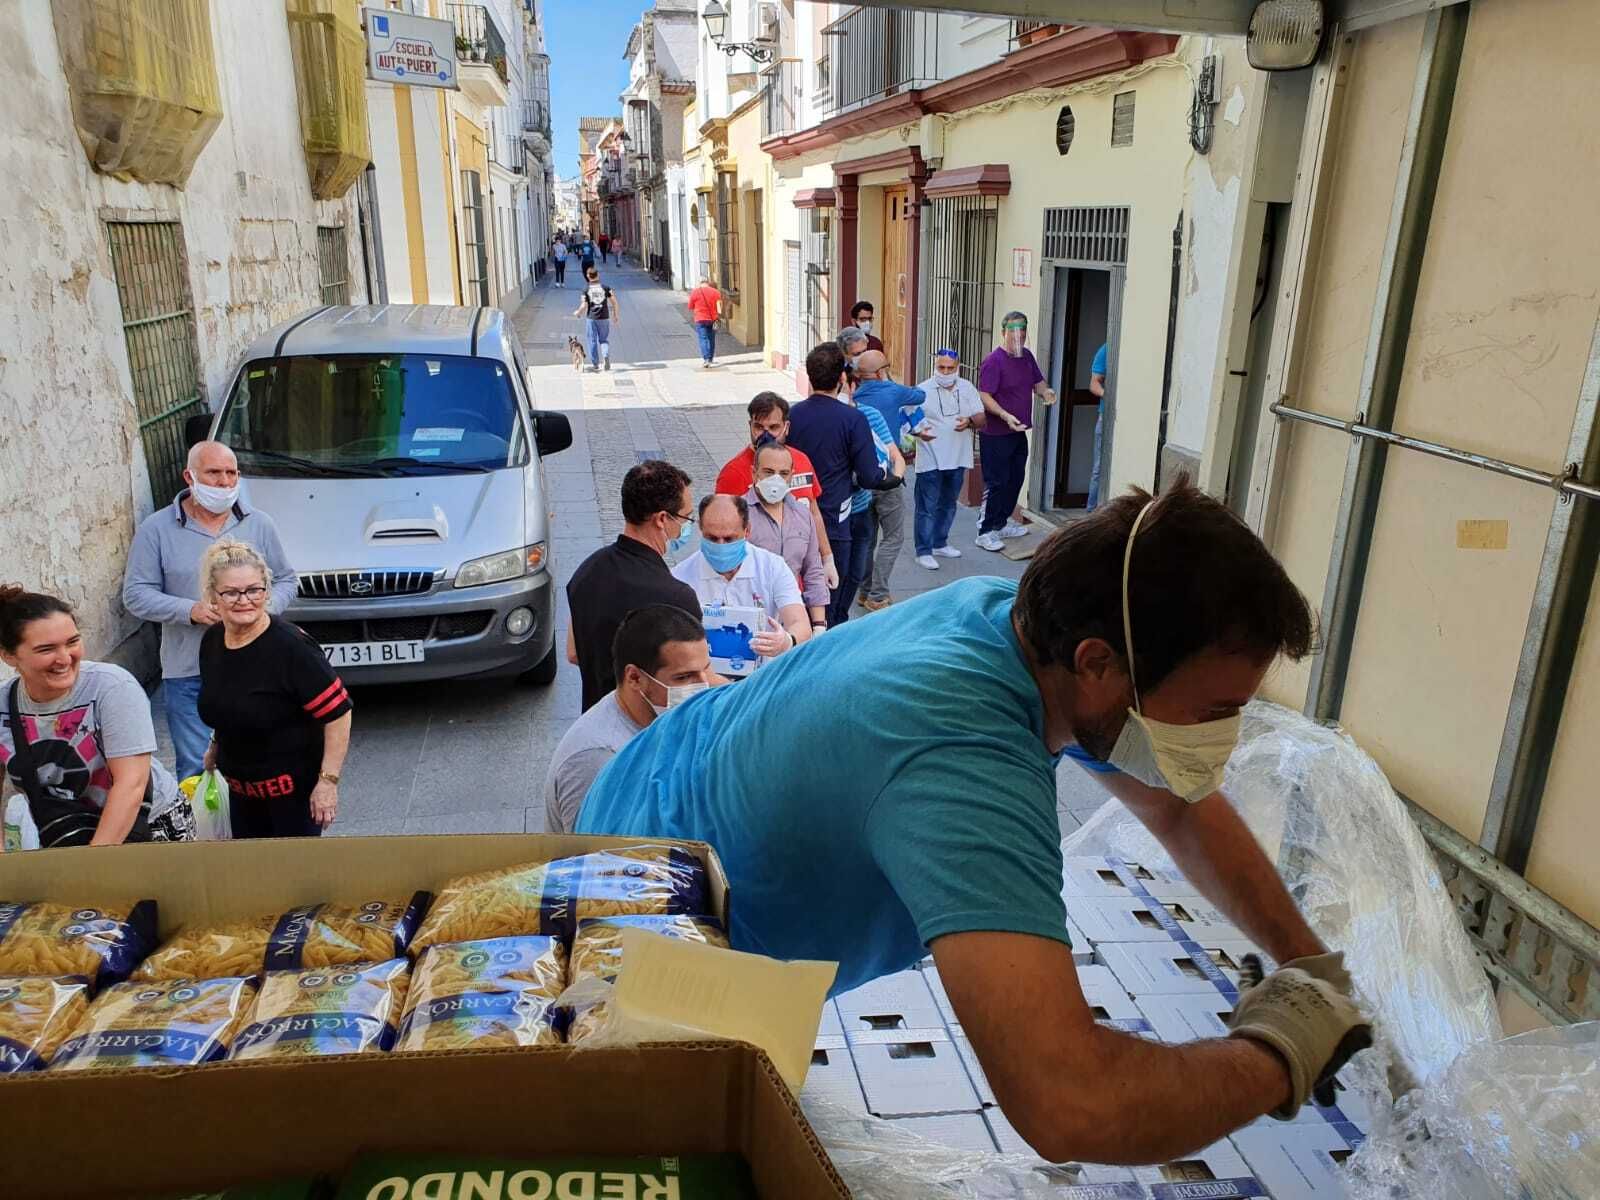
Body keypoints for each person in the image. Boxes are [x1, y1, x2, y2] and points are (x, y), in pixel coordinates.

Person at [579, 480, 1373, 1166]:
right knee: (682, 1143)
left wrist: (1310, 967)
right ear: (1099, 664)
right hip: (647, 921)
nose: (1222, 739)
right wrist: (1282, 1050)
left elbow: (1175, 803)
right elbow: (1069, 1101)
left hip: (659, 784)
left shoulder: (1017, 623)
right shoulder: (962, 755)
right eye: (1215, 711)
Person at [122, 440, 297, 781]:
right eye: (214, 473)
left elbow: (287, 579)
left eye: (231, 473)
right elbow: (136, 594)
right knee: (197, 770)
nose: (224, 482)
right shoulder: (156, 529)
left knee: (262, 763)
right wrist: (191, 610)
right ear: (190, 477)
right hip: (188, 670)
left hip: (256, 665)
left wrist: (259, 610)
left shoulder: (259, 523)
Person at [0, 585, 195, 847]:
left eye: (72, 642)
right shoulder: (4, 704)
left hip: (146, 823)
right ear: (9, 656)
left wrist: (93, 864)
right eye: (46, 649)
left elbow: (131, 784)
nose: (64, 658)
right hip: (67, 829)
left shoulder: (111, 687)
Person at [197, 541, 352, 839]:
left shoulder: (292, 648)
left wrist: (328, 782)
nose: (244, 600)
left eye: (254, 590)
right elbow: (225, 701)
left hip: (293, 799)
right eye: (231, 592)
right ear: (213, 596)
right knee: (250, 868)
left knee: (294, 870)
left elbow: (339, 714)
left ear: (267, 591)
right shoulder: (213, 641)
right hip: (241, 795)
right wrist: (215, 746)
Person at [543, 604, 713, 836]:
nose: (703, 687)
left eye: (705, 671)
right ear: (634, 677)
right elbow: (593, 851)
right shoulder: (598, 758)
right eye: (684, 677)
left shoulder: (660, 720)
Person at [566, 460, 701, 711]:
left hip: (596, 716)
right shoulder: (676, 597)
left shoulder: (586, 571)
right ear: (662, 519)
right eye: (687, 518)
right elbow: (689, 685)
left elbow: (573, 653)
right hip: (648, 728)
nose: (687, 527)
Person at [786, 343, 900, 628]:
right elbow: (869, 477)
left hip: (796, 513)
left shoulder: (792, 416)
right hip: (837, 519)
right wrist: (892, 476)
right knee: (836, 590)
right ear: (841, 378)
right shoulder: (853, 418)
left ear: (810, 377)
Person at [670, 495, 810, 674]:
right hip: (704, 679)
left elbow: (800, 622)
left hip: (761, 676)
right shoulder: (680, 577)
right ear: (700, 529)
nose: (721, 546)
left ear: (747, 531)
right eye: (712, 538)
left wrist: (787, 641)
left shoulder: (772, 567)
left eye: (729, 539)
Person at [714, 392, 835, 593]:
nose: (766, 434)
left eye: (773, 427)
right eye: (759, 427)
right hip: (753, 587)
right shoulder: (733, 473)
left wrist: (827, 557)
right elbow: (720, 531)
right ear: (750, 426)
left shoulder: (801, 461)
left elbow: (813, 512)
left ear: (786, 427)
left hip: (796, 583)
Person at [851, 349, 926, 611]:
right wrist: (890, 379)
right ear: (882, 372)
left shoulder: (855, 399)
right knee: (893, 537)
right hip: (888, 474)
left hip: (861, 478)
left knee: (867, 539)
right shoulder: (892, 391)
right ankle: (878, 594)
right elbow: (920, 395)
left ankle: (864, 591)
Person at [975, 312, 1056, 552]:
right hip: (995, 433)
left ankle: (1000, 523)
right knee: (996, 482)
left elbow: (1038, 382)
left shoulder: (1027, 357)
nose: (1018, 336)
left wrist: (1046, 392)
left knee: (1015, 478)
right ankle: (985, 531)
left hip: (1017, 431)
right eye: (1013, 331)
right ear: (1004, 333)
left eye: (1022, 331)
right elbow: (984, 395)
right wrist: (1004, 415)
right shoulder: (993, 361)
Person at [914, 349, 987, 569]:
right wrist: (918, 432)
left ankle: (940, 543)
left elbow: (981, 418)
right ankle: (923, 551)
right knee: (927, 507)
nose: (945, 372)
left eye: (950, 368)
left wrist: (970, 422)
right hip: (930, 458)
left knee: (948, 504)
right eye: (941, 367)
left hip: (958, 457)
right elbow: (906, 419)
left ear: (958, 367)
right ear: (935, 366)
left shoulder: (967, 388)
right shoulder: (922, 390)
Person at [746, 441, 829, 630]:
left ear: (791, 476)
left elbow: (813, 570)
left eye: (783, 473)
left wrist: (818, 625)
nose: (776, 479)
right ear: (754, 473)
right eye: (768, 472)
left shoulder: (802, 515)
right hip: (752, 621)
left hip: (793, 621)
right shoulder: (739, 514)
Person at [573, 266, 619, 371]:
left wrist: (578, 313)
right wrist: (615, 315)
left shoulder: (585, 289)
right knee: (603, 340)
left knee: (592, 340)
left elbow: (584, 305)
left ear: (588, 276)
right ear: (598, 275)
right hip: (604, 318)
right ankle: (605, 355)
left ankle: (595, 364)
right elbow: (615, 302)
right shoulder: (606, 288)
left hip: (592, 318)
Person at [1088, 341, 1109, 510]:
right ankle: (1091, 512)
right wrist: (1108, 395)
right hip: (1106, 417)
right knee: (1099, 468)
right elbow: (1094, 384)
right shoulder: (1105, 350)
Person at [687, 276, 722, 368]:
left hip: (700, 319)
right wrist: (718, 316)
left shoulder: (695, 292)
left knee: (703, 338)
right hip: (713, 319)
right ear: (708, 282)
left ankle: (706, 359)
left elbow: (690, 306)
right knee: (711, 339)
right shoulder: (715, 292)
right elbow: (719, 308)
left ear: (700, 282)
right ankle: (710, 358)